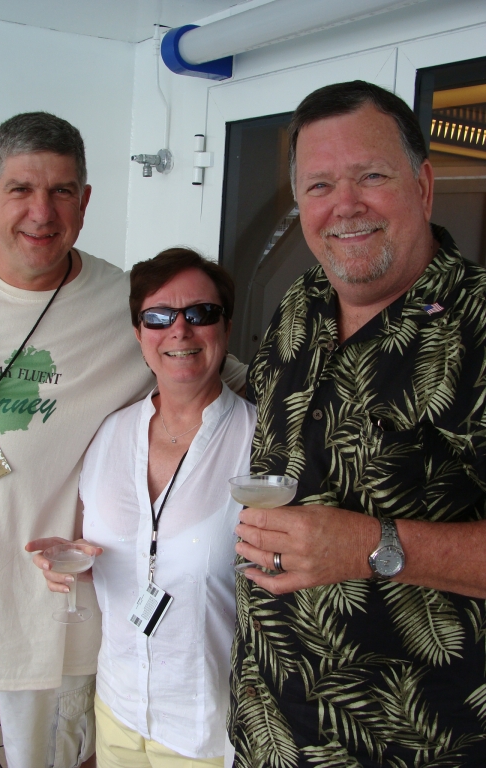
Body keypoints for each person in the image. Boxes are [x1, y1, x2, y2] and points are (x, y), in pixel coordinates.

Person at [0, 113, 246, 768]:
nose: (41, 212)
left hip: (50, 623)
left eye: (63, 190)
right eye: (20, 190)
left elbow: (217, 370)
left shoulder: (129, 303)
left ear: (86, 201)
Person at [228, 81, 486, 767]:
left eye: (371, 176)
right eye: (318, 186)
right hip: (267, 732)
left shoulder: (478, 328)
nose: (344, 206)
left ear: (423, 185)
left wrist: (379, 546)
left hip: (413, 746)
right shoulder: (300, 305)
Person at [29, 248, 257, 768]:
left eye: (200, 313)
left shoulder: (260, 442)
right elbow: (114, 555)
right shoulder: (109, 435)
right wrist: (68, 559)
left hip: (207, 728)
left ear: (225, 325)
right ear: (139, 333)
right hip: (118, 710)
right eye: (159, 317)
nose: (180, 331)